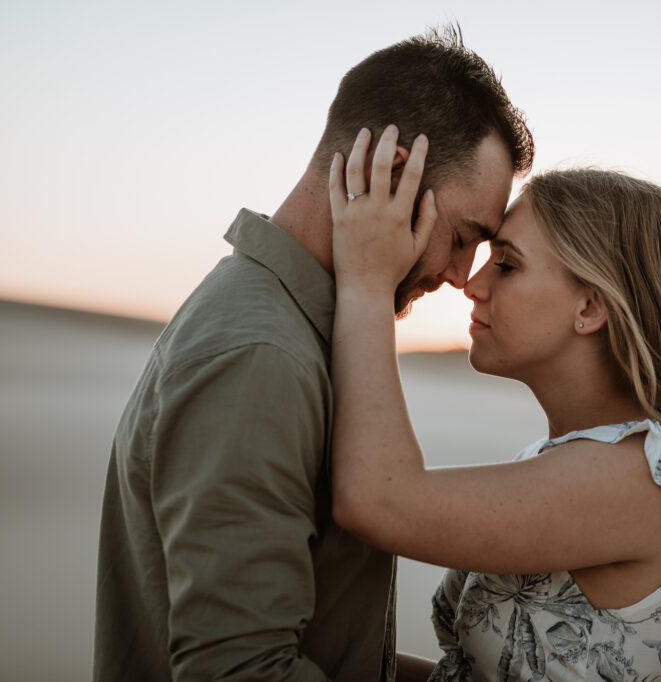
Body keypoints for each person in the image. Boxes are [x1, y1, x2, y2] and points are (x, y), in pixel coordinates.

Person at [94, 27, 533, 681]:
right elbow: (242, 669)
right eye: (463, 236)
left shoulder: (294, 330)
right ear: (390, 174)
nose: (458, 275)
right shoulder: (260, 357)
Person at [326, 128, 661, 681]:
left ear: (590, 307)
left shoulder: (645, 475)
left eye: (507, 264)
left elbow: (379, 500)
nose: (472, 284)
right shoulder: (566, 463)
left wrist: (367, 280)